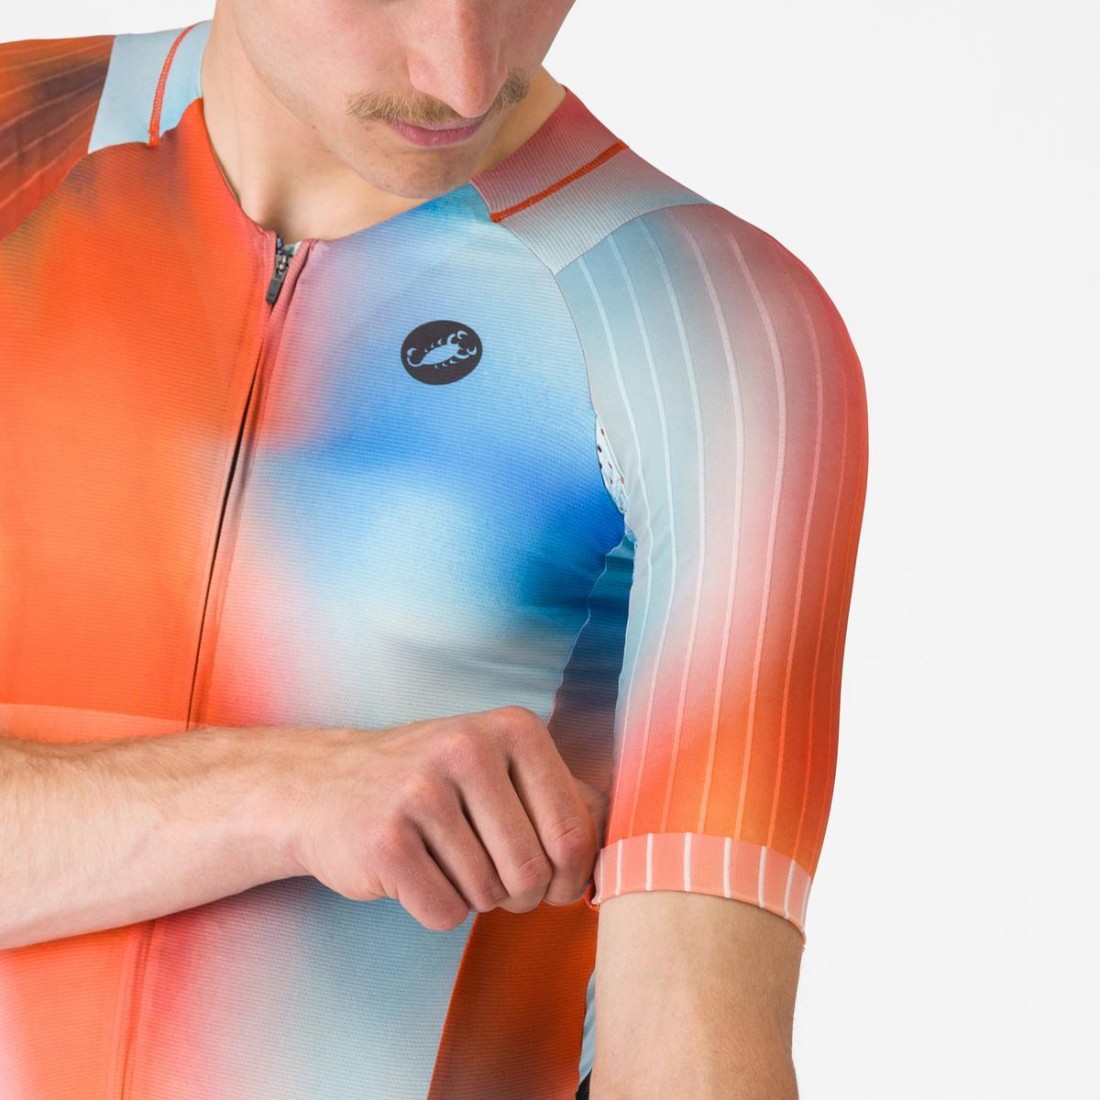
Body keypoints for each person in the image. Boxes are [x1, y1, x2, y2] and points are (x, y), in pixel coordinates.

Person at [0, 3, 868, 1098]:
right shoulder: (22, 134)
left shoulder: (710, 326)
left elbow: (691, 1060)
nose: (462, 80)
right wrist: (290, 793)